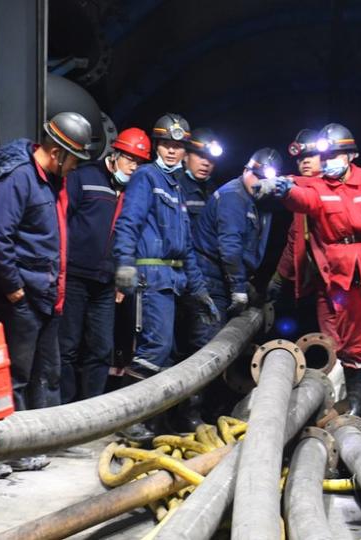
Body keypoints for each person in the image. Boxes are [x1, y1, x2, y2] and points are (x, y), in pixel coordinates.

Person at [255, 123, 361, 415]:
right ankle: (356, 406)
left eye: (337, 155)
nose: (329, 162)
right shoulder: (320, 188)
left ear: (351, 155)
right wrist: (285, 190)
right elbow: (304, 199)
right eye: (327, 157)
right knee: (352, 342)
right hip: (344, 275)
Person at [0, 111, 91, 471]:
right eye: (74, 159)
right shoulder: (20, 179)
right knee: (13, 377)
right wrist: (14, 289)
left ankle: (32, 444)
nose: (75, 167)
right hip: (21, 300)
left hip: (44, 298)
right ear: (58, 152)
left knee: (44, 374)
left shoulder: (51, 182)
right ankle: (3, 451)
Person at [112, 113, 219, 441]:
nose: (172, 151)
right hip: (150, 274)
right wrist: (124, 264)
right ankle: (129, 419)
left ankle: (154, 421)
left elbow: (186, 247)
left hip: (172, 278)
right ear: (157, 146)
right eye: (166, 145)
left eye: (177, 146)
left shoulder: (175, 186)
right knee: (154, 348)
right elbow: (127, 222)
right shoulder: (147, 177)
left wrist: (200, 292)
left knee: (168, 351)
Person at [60, 127, 150, 403]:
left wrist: (122, 282)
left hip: (107, 283)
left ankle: (92, 410)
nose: (133, 167)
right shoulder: (84, 177)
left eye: (139, 163)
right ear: (115, 154)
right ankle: (64, 410)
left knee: (101, 348)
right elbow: (62, 220)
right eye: (130, 160)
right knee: (68, 347)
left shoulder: (134, 191)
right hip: (75, 276)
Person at [193, 148, 281, 338]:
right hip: (210, 278)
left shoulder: (259, 202)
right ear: (244, 171)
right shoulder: (233, 196)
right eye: (255, 176)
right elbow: (230, 246)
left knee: (223, 341)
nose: (259, 183)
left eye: (265, 179)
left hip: (223, 278)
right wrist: (238, 288)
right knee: (209, 344)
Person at [267, 129, 337, 343]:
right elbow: (296, 239)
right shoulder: (298, 199)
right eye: (300, 159)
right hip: (323, 281)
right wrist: (279, 278)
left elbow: (311, 186)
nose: (305, 162)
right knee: (331, 337)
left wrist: (286, 182)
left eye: (310, 157)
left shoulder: (333, 185)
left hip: (345, 276)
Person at [173, 127, 223, 362]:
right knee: (174, 345)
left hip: (203, 278)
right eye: (200, 156)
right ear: (185, 156)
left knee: (203, 344)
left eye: (211, 159)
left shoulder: (214, 192)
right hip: (175, 276)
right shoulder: (174, 186)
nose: (206, 163)